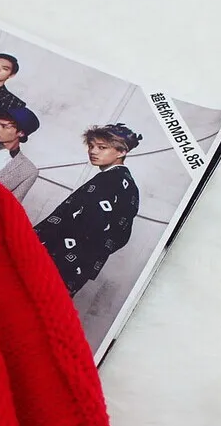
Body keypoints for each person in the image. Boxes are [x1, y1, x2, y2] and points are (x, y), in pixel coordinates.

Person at [34, 123, 143, 297]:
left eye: (102, 147)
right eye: (91, 146)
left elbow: (85, 222)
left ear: (122, 152)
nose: (93, 151)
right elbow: (120, 235)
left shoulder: (110, 180)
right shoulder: (126, 183)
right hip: (77, 266)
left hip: (61, 260)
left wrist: (36, 241)